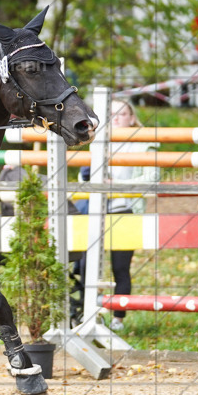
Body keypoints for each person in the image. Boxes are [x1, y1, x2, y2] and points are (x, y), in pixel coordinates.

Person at [71, 98, 159, 331]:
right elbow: (83, 180)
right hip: (95, 211)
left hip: (125, 211)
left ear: (131, 118)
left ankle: (118, 318)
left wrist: (115, 184)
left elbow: (153, 180)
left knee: (120, 267)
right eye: (111, 115)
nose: (116, 118)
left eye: (121, 114)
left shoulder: (144, 143)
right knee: (86, 264)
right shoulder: (97, 141)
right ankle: (89, 313)